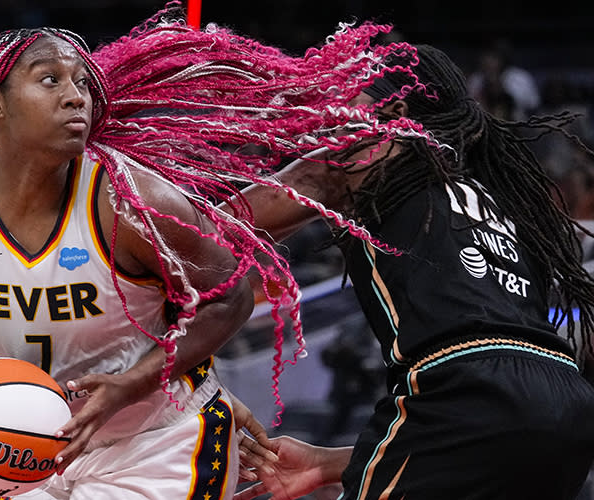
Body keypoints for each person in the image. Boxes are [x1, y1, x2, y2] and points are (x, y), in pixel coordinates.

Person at [0, 26, 254, 500]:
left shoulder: (130, 201)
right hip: (34, 451)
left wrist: (129, 385)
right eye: (50, 80)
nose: (75, 97)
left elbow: (231, 297)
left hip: (158, 439)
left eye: (82, 82)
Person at [232, 43, 594, 500]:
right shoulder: (508, 202)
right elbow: (499, 415)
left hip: (462, 393)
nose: (335, 108)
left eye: (353, 94)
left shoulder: (368, 153)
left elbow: (206, 231)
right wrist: (327, 464)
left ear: (395, 110)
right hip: (565, 405)